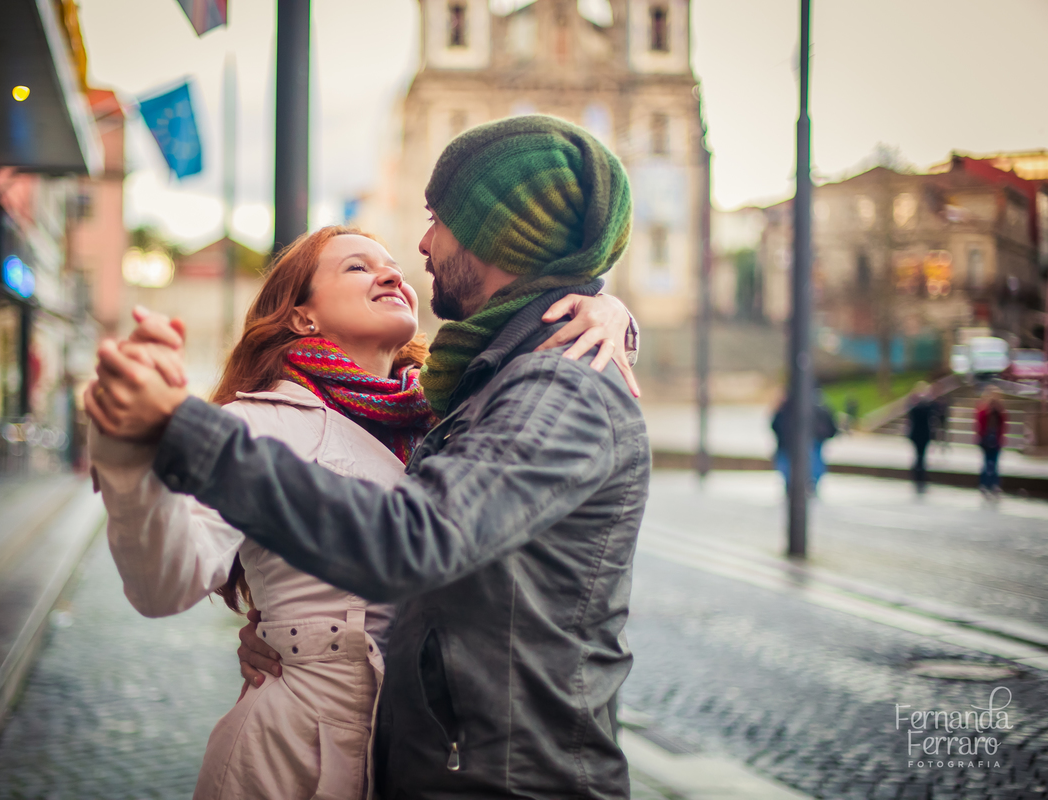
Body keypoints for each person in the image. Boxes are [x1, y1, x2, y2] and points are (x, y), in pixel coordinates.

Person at [88, 115, 650, 799]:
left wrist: (603, 305)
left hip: (469, 769)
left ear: (497, 233)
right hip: (313, 756)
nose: (411, 256)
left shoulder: (475, 401)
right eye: (360, 266)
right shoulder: (275, 420)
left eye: (435, 221)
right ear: (301, 315)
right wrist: (132, 459)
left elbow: (417, 537)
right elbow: (166, 580)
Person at [771, 394, 837, 490]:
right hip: (793, 444)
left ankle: (801, 486)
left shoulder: (786, 408)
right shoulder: (820, 408)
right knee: (812, 464)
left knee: (811, 464)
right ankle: (804, 486)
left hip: (805, 443)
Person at [906, 381, 939, 492]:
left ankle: (919, 475)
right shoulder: (919, 406)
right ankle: (919, 476)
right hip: (919, 435)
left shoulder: (922, 405)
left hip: (921, 435)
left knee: (920, 457)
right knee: (920, 457)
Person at [975, 386, 1007, 497]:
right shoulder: (983, 410)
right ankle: (984, 484)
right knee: (986, 462)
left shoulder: (1000, 411)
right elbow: (979, 424)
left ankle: (994, 484)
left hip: (996, 440)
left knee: (995, 463)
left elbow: (1003, 425)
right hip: (986, 440)